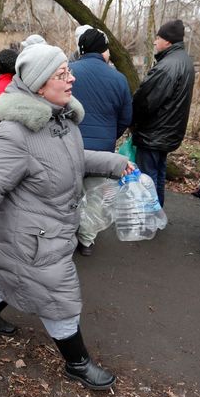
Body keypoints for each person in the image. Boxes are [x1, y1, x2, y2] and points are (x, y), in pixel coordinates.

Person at [0, 43, 132, 390]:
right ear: (38, 85)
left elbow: (75, 159)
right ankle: (77, 363)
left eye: (68, 71)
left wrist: (116, 164)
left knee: (6, 279)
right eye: (62, 74)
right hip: (34, 240)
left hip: (53, 230)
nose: (72, 78)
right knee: (60, 299)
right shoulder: (14, 134)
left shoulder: (60, 120)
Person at [70, 27, 132, 256]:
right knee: (94, 196)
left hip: (70, 146)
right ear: (104, 50)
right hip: (103, 150)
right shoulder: (118, 79)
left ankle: (65, 236)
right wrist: (110, 136)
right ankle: (86, 240)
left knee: (68, 193)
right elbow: (126, 116)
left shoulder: (69, 72)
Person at [131, 19, 195, 207]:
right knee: (157, 173)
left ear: (167, 41)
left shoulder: (167, 66)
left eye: (157, 38)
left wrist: (132, 121)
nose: (154, 41)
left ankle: (148, 216)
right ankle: (156, 212)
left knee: (147, 177)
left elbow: (146, 102)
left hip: (154, 132)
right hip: (168, 131)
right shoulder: (184, 61)